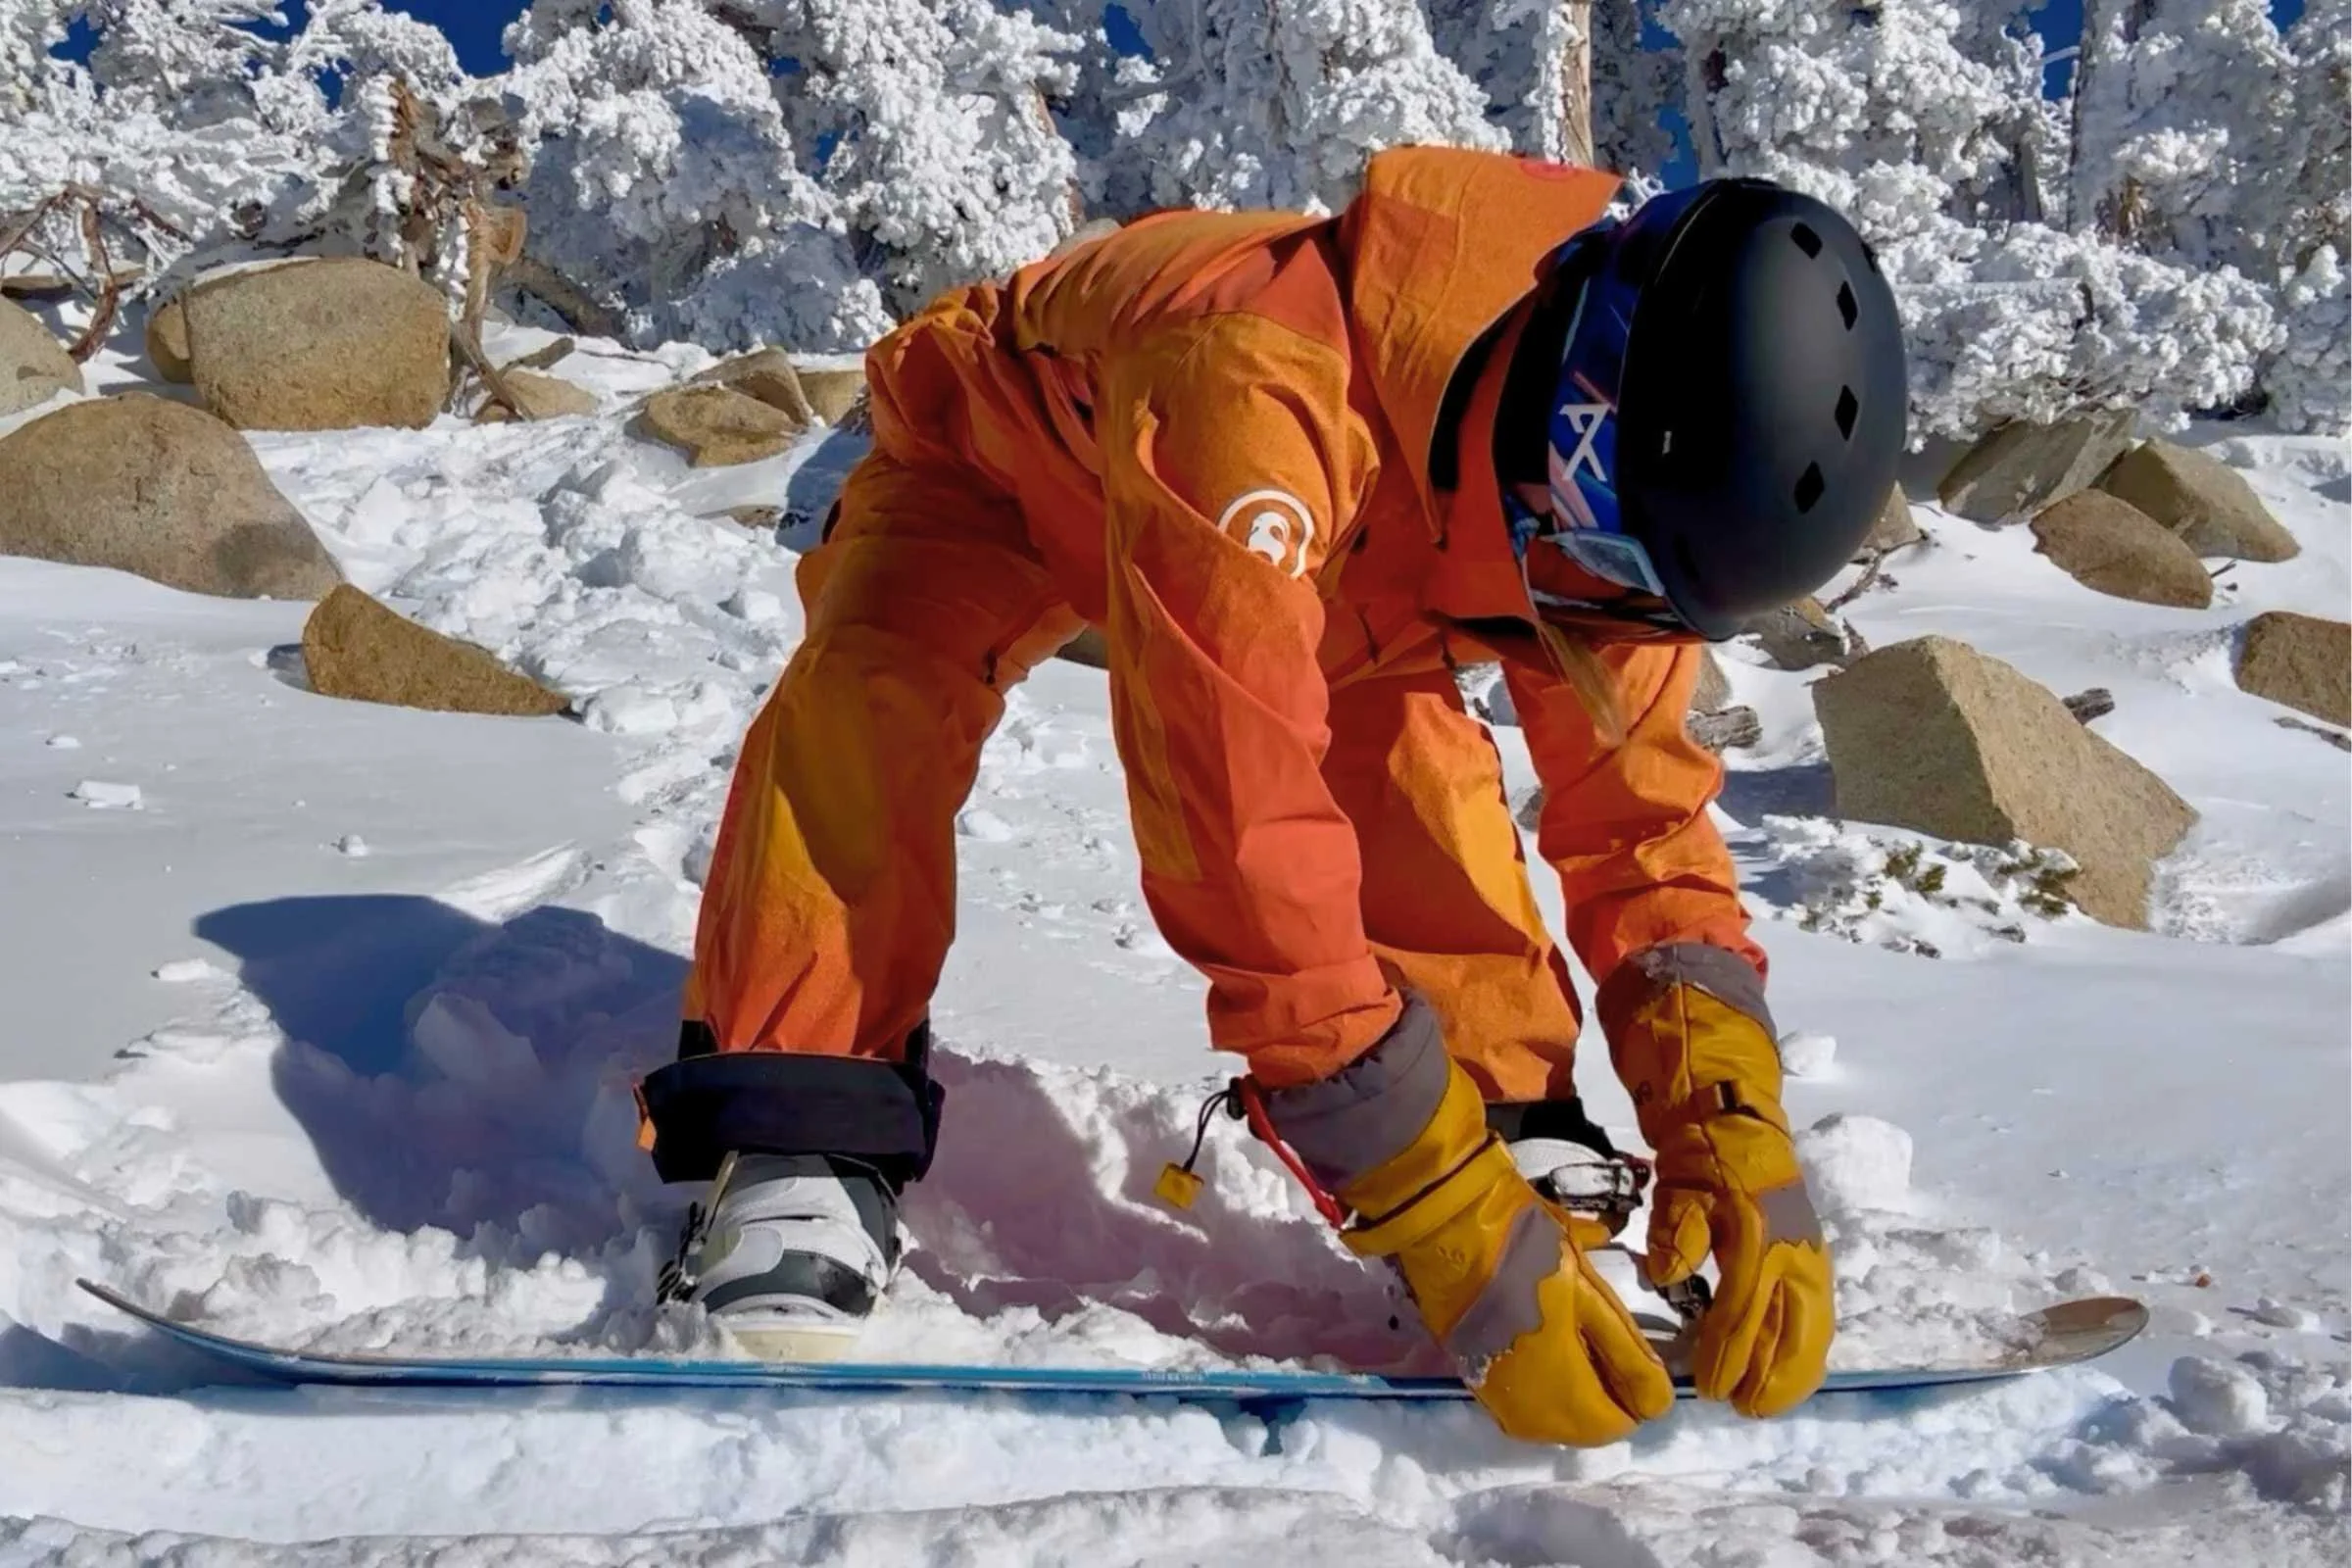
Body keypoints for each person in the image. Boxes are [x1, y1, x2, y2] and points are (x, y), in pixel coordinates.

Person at [636, 145, 1907, 1447]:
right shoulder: (1253, 373)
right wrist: (1437, 1206)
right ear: (1564, 419)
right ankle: (798, 1131)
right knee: (874, 702)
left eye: (1630, 603)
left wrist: (1730, 1124)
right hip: (1000, 464)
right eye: (1585, 572)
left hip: (1360, 543)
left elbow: (1645, 826)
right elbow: (1239, 833)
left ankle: (1511, 1125)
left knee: (1416, 773)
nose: (1592, 623)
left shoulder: (1625, 483)